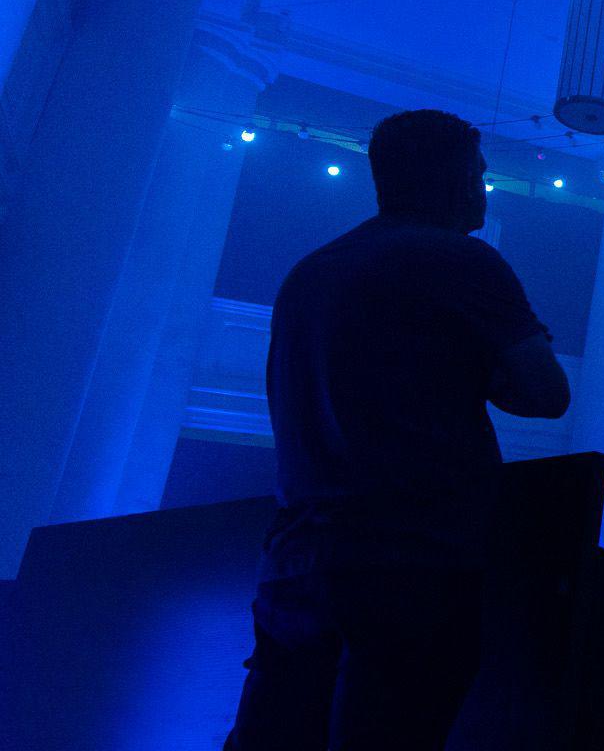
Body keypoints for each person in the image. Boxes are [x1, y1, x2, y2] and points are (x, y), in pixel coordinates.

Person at [225, 109, 570, 750]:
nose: (484, 190)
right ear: (456, 180)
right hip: (413, 564)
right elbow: (546, 393)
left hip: (295, 563)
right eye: (480, 174)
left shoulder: (310, 272)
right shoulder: (462, 261)